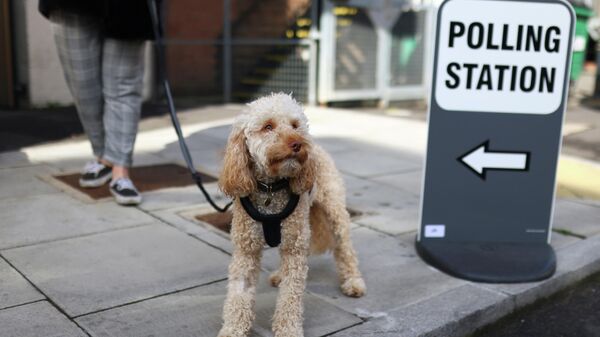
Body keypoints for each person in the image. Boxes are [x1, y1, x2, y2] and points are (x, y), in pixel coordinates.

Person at [39, 0, 159, 205]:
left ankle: (120, 170)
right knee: (83, 85)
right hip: (67, 5)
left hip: (130, 7)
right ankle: (104, 157)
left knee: (123, 86)